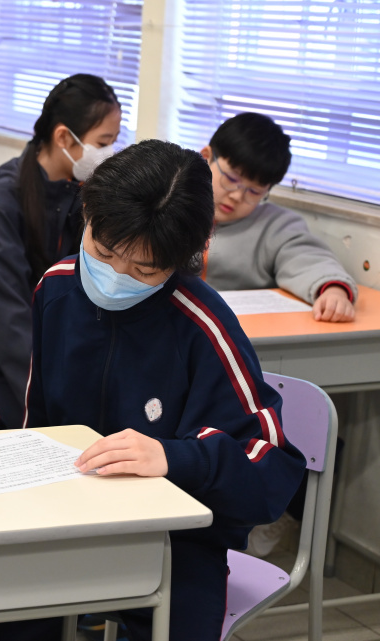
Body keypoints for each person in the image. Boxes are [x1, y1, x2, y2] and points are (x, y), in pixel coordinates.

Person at [25, 139, 307, 641]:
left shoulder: (203, 324)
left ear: (185, 259)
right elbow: (39, 424)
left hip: (175, 543)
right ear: (86, 214)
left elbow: (272, 470)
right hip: (66, 518)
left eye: (144, 270)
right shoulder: (57, 289)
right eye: (103, 252)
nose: (115, 277)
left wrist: (174, 458)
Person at [0, 73, 121, 428]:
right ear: (63, 137)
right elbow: (10, 328)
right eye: (103, 142)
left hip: (38, 350)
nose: (109, 153)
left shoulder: (74, 192)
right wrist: (59, 402)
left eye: (114, 141)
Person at [200, 112, 358, 322]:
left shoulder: (275, 226)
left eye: (254, 192)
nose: (237, 196)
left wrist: (333, 291)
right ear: (206, 157)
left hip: (239, 328)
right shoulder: (169, 203)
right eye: (230, 179)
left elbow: (306, 259)